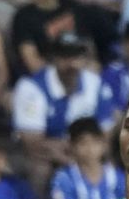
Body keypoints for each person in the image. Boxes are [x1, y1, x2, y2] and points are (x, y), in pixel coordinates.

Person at [13, 31, 104, 181]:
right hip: (51, 158)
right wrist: (75, 157)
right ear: (54, 58)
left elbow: (105, 134)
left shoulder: (94, 83)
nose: (72, 63)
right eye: (65, 57)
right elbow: (32, 143)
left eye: (76, 57)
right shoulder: (32, 87)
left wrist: (85, 153)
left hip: (87, 153)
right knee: (40, 167)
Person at [9, 0, 90, 79]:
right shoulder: (23, 16)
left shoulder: (75, 8)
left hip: (80, 77)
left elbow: (89, 52)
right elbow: (32, 61)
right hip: (44, 82)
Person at [49, 115, 125, 199]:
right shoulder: (63, 179)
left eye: (95, 142)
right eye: (83, 143)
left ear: (103, 145)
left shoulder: (116, 176)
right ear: (72, 147)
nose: (90, 148)